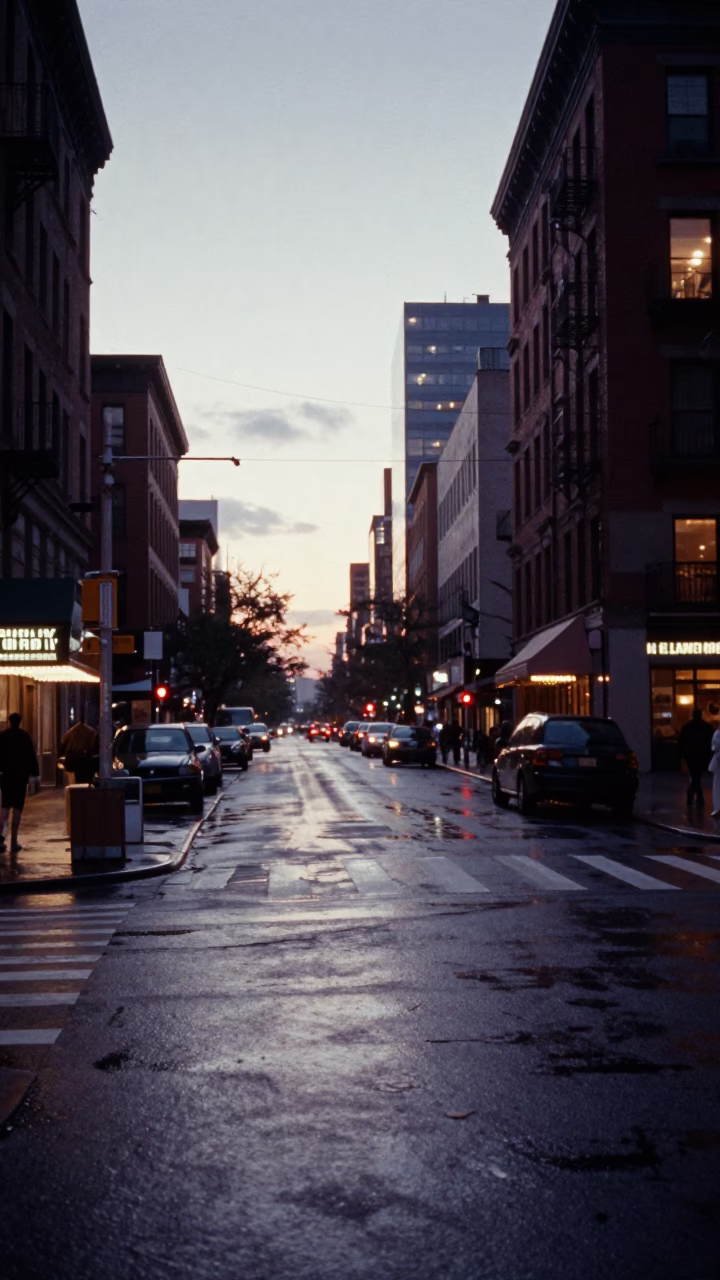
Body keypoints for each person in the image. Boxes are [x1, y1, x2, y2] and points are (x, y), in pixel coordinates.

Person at [0, 713, 40, 855]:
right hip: (21, 777)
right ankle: (13, 841)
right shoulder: (25, 736)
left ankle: (0, 839)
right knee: (17, 807)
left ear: (9, 722)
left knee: (4, 806)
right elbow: (31, 756)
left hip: (6, 776)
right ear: (20, 721)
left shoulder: (3, 736)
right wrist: (35, 775)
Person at [678, 708, 714, 808]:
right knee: (697, 777)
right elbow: (711, 742)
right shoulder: (707, 727)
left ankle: (694, 796)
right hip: (702, 756)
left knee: (695, 777)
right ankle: (698, 797)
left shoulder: (687, 727)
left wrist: (683, 755)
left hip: (691, 756)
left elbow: (681, 742)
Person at [61, 718, 100, 785]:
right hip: (87, 762)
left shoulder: (70, 732)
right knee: (87, 783)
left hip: (73, 761)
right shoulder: (92, 733)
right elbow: (96, 748)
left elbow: (63, 745)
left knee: (73, 784)